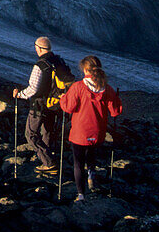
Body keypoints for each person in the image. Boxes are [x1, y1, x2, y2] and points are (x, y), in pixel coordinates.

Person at [60, 55, 122, 201]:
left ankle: (81, 194)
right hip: (98, 132)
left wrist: (63, 99)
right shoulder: (107, 89)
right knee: (91, 154)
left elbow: (68, 108)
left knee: (78, 163)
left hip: (79, 132)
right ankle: (92, 176)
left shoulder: (78, 87)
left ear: (85, 69)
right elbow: (115, 112)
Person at [12, 36, 71, 175]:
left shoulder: (41, 65)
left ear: (38, 48)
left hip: (39, 104)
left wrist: (19, 95)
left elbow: (33, 88)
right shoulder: (58, 61)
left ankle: (49, 162)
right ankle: (49, 159)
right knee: (47, 132)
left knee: (30, 133)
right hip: (54, 104)